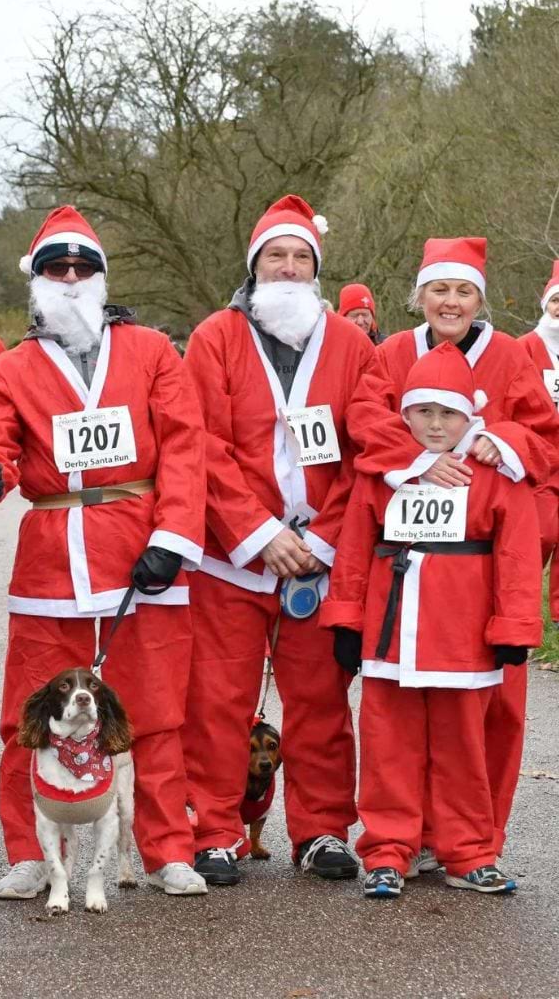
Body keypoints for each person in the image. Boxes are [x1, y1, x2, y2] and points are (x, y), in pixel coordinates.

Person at [0, 205, 208, 899]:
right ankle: (33, 851)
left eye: (82, 266)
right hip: (51, 563)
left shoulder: (153, 351)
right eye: (55, 267)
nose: (70, 277)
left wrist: (173, 536)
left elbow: (185, 446)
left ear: (100, 276)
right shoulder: (11, 367)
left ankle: (165, 850)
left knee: (153, 710)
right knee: (29, 715)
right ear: (35, 281)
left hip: (139, 551)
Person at [345, 236, 559, 864]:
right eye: (439, 289)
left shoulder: (513, 355)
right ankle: (400, 836)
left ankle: (472, 840)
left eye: (464, 290)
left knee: (488, 715)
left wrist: (503, 441)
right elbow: (364, 417)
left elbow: (543, 432)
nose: (451, 301)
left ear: (479, 299)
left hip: (481, 569)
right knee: (401, 717)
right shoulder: (391, 353)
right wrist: (420, 460)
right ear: (420, 295)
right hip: (408, 566)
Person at [182, 194, 375, 887]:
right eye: (276, 256)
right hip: (233, 556)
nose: (289, 268)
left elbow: (367, 450)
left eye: (301, 257)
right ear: (255, 266)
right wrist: (259, 532)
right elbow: (200, 444)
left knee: (321, 698)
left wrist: (322, 541)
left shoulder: (352, 346)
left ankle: (322, 829)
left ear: (316, 268)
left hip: (318, 562)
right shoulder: (214, 339)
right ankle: (214, 830)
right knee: (217, 700)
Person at [322, 342, 541, 897]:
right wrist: (347, 620)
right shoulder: (381, 475)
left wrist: (514, 629)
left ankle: (468, 851)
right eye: (424, 412)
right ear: (406, 415)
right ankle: (388, 851)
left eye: (449, 413)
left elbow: (517, 556)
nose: (436, 424)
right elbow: (353, 551)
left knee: (463, 749)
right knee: (389, 745)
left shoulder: (495, 475)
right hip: (392, 635)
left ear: (470, 417)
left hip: (463, 638)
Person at [518, 260, 559, 625]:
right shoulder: (525, 347)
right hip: (540, 459)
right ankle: (524, 610)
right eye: (556, 300)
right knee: (541, 536)